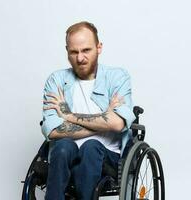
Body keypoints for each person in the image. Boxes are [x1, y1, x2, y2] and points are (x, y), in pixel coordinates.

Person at [41, 21, 136, 200]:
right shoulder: (56, 80)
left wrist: (69, 116)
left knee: (90, 147)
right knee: (61, 147)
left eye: (86, 50)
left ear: (98, 48)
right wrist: (104, 121)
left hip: (107, 156)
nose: (80, 58)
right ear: (67, 51)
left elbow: (118, 124)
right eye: (74, 52)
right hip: (67, 153)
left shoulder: (117, 77)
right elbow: (53, 131)